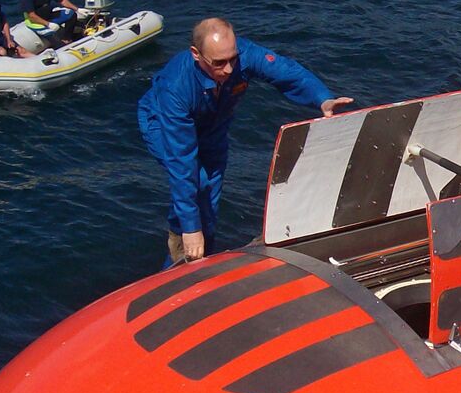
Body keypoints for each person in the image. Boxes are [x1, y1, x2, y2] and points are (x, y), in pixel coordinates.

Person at [138, 18, 353, 264]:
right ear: (196, 54)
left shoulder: (245, 55)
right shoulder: (175, 87)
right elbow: (181, 161)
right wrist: (190, 228)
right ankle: (179, 257)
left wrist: (322, 99)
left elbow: (285, 71)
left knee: (210, 193)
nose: (229, 70)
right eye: (219, 63)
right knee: (196, 182)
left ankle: (203, 254)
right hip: (164, 124)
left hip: (213, 126)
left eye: (233, 59)